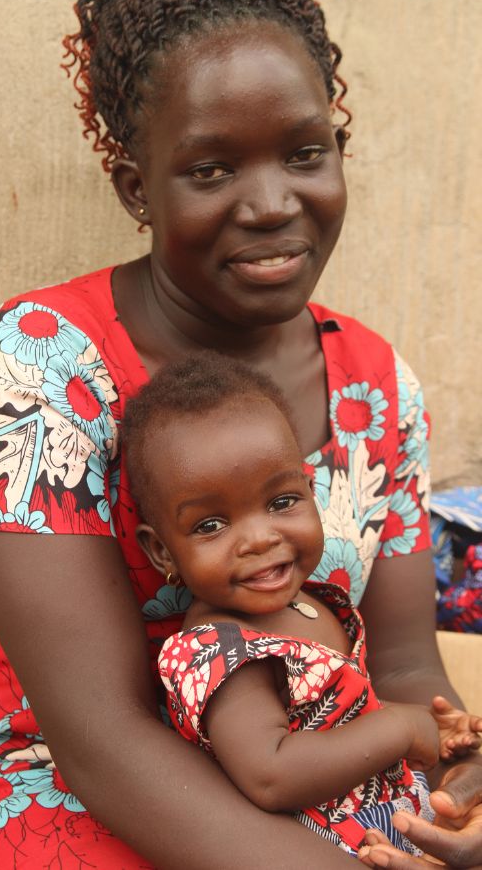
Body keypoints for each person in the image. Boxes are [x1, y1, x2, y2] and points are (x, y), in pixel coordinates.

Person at [0, 0, 482, 867]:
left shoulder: (380, 388)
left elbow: (407, 677)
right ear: (137, 188)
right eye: (212, 169)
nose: (270, 205)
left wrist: (454, 798)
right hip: (80, 793)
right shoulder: (41, 366)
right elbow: (99, 739)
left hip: (331, 780)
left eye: (304, 153)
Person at [123, 353, 482, 858]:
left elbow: (352, 714)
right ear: (162, 550)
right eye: (211, 525)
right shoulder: (219, 648)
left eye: (281, 502)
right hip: (313, 849)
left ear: (311, 492)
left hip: (390, 818)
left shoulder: (315, 603)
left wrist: (443, 736)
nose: (259, 538)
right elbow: (272, 774)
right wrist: (401, 728)